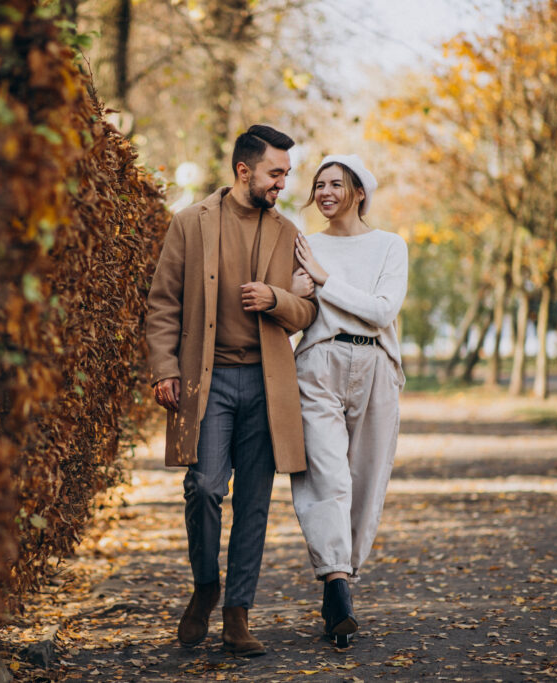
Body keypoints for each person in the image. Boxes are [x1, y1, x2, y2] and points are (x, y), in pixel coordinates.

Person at [146, 124, 318, 656]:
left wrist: (275, 298)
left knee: (255, 504)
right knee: (203, 487)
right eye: (275, 173)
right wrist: (164, 368)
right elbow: (163, 303)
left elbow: (307, 310)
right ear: (244, 171)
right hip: (208, 382)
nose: (282, 184)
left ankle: (238, 614)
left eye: (286, 174)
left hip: (267, 385)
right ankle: (206, 588)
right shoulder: (190, 224)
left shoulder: (289, 232)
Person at [289, 155, 408, 648]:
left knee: (365, 479)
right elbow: (297, 308)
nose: (324, 192)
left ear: (359, 192)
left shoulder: (389, 246)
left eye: (335, 184)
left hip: (376, 364)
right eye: (318, 185)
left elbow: (382, 311)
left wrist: (323, 278)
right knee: (326, 476)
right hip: (318, 362)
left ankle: (344, 572)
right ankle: (336, 584)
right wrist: (298, 286)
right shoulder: (304, 244)